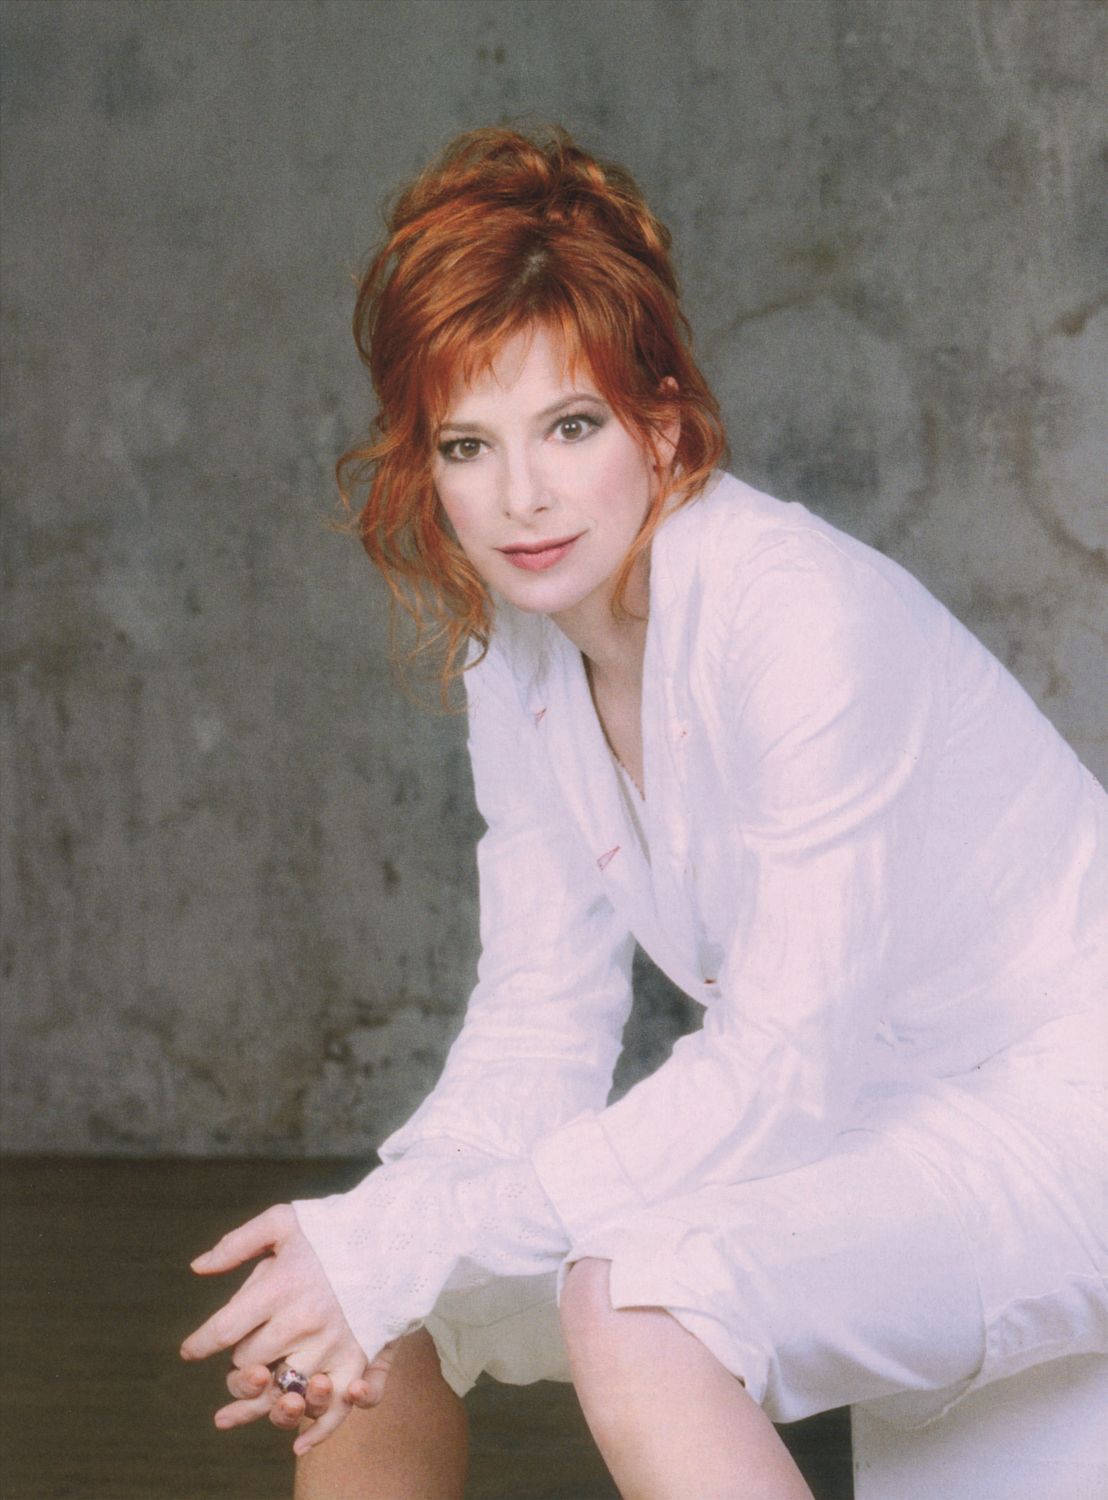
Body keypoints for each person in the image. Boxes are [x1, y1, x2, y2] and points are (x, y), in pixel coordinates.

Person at [180, 125, 1107, 1500]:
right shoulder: (521, 652)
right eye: (468, 445)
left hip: (1062, 1111)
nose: (523, 498)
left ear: (661, 425)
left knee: (633, 1300)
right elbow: (538, 1022)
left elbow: (780, 1072)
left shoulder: (794, 614)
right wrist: (365, 1242)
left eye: (571, 426)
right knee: (371, 1316)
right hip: (874, 1132)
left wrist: (400, 1239)